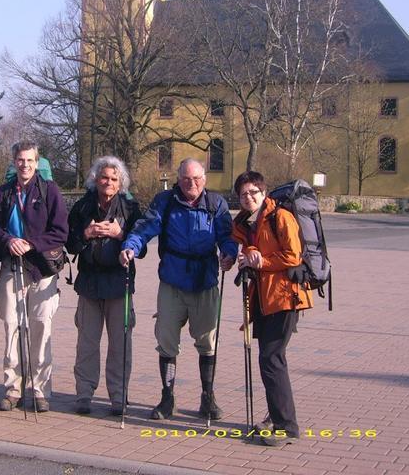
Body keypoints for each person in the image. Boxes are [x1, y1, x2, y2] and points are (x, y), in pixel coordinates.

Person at [120, 158, 237, 420]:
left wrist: (229, 254)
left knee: (208, 342)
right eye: (185, 179)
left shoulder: (216, 204)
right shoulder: (165, 201)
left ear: (204, 179)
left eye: (196, 179)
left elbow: (227, 236)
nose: (191, 184)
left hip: (205, 281)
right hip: (172, 282)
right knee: (167, 342)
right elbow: (145, 228)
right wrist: (131, 246)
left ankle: (208, 397)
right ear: (178, 179)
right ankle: (167, 397)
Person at [231, 171, 313, 446]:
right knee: (270, 360)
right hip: (263, 300)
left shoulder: (281, 217)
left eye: (254, 192)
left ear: (264, 192)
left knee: (271, 359)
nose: (249, 197)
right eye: (243, 194)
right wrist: (245, 255)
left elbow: (293, 255)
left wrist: (260, 261)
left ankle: (287, 427)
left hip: (285, 297)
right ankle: (275, 416)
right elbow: (247, 246)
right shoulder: (246, 222)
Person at [0, 140, 69, 412]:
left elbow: (60, 232)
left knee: (40, 328)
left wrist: (32, 243)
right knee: (12, 327)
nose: (25, 165)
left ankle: (38, 390)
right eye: (20, 160)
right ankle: (12, 388)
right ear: (14, 162)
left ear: (37, 163)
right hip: (11, 267)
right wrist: (9, 240)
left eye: (30, 161)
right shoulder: (2, 194)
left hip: (41, 270)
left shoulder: (50, 191)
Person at [66, 156, 144, 416]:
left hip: (119, 285)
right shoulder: (82, 207)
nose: (108, 182)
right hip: (88, 284)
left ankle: (119, 396)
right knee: (86, 343)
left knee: (120, 344)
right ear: (95, 180)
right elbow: (70, 244)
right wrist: (86, 234)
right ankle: (84, 394)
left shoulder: (131, 208)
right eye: (104, 178)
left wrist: (120, 235)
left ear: (120, 181)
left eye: (113, 178)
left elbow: (141, 246)